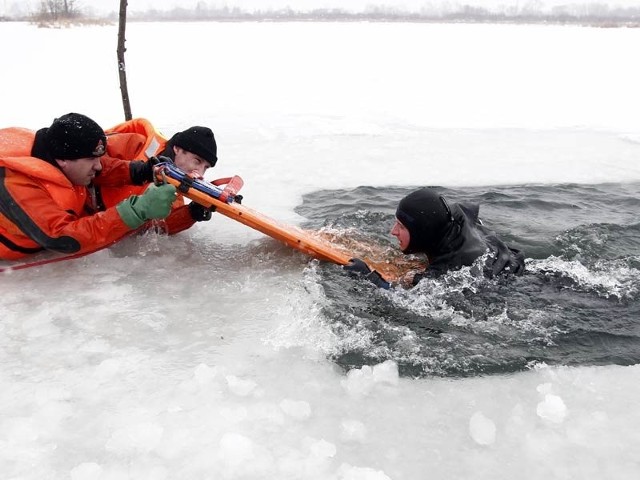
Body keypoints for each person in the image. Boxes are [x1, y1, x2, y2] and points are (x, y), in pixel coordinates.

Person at [0, 113, 176, 261]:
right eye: (91, 160)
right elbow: (63, 238)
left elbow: (101, 168)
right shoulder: (14, 183)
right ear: (62, 160)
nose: (98, 166)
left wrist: (143, 170)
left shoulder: (56, 150)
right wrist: (137, 210)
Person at [345, 187, 525, 287]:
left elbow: (409, 303)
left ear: (422, 233)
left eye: (401, 226)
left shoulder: (448, 271)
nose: (393, 231)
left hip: (514, 287)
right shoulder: (453, 216)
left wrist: (370, 279)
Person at [97, 119, 221, 235]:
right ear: (177, 149)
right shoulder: (135, 143)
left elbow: (158, 227)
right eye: (197, 161)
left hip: (106, 226)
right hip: (85, 203)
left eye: (206, 167)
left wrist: (192, 213)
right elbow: (89, 159)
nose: (199, 172)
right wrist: (138, 171)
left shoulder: (174, 188)